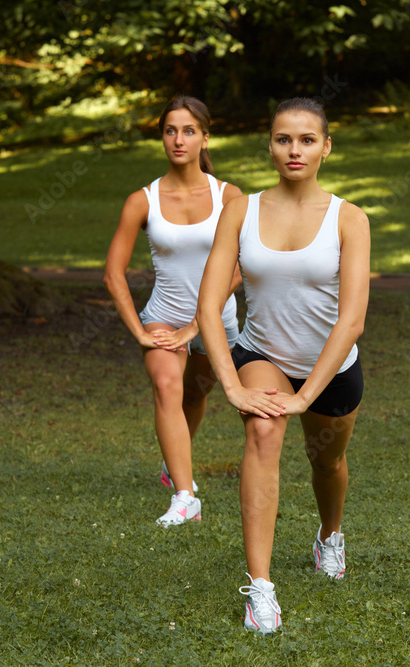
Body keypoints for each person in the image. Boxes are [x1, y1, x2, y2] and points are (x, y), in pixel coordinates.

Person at [197, 97, 369, 635]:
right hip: (262, 355)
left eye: (306, 140)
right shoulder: (241, 210)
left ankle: (329, 533)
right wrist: (230, 382)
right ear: (269, 144)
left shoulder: (350, 218)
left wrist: (304, 397)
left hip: (333, 368)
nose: (294, 150)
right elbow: (207, 306)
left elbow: (351, 321)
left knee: (328, 463)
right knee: (264, 434)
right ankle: (261, 588)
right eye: (283, 139)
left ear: (326, 147)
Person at [104, 96, 242, 528]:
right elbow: (113, 274)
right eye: (170, 130)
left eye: (188, 131)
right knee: (168, 386)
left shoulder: (229, 197)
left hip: (217, 322)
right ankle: (186, 496)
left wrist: (194, 328)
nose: (178, 140)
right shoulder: (141, 201)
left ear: (205, 137)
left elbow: (241, 270)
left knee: (196, 394)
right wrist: (142, 333)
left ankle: (172, 459)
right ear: (161, 136)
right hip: (163, 316)